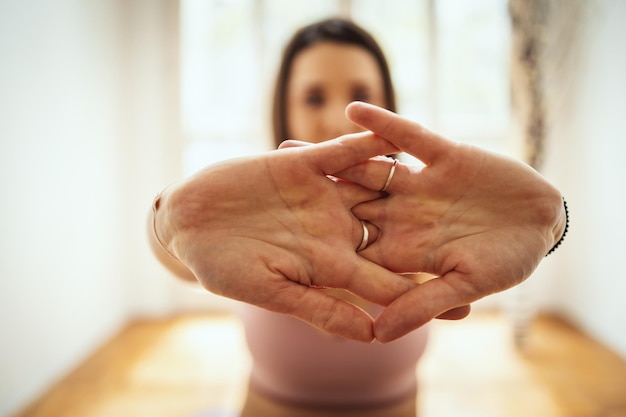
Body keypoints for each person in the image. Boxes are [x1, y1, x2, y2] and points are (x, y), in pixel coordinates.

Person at [149, 18, 567, 412]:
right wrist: (167, 222)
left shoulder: (436, 215)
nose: (335, 119)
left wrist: (552, 221)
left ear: (386, 105)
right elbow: (180, 259)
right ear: (284, 108)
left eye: (360, 96)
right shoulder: (249, 215)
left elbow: (529, 229)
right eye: (314, 97)